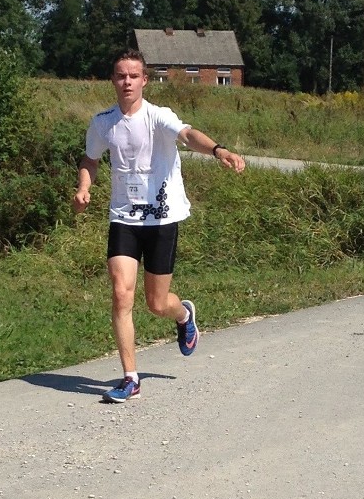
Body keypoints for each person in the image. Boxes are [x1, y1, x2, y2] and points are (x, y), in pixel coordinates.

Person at [73, 49, 245, 403]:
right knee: (122, 293)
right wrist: (84, 187)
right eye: (121, 76)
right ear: (113, 80)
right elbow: (90, 158)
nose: (127, 82)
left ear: (145, 81)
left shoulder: (158, 117)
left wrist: (218, 151)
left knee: (155, 303)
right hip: (124, 216)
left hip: (162, 218)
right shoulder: (103, 122)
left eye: (133, 76)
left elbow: (189, 134)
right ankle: (130, 378)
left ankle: (183, 315)